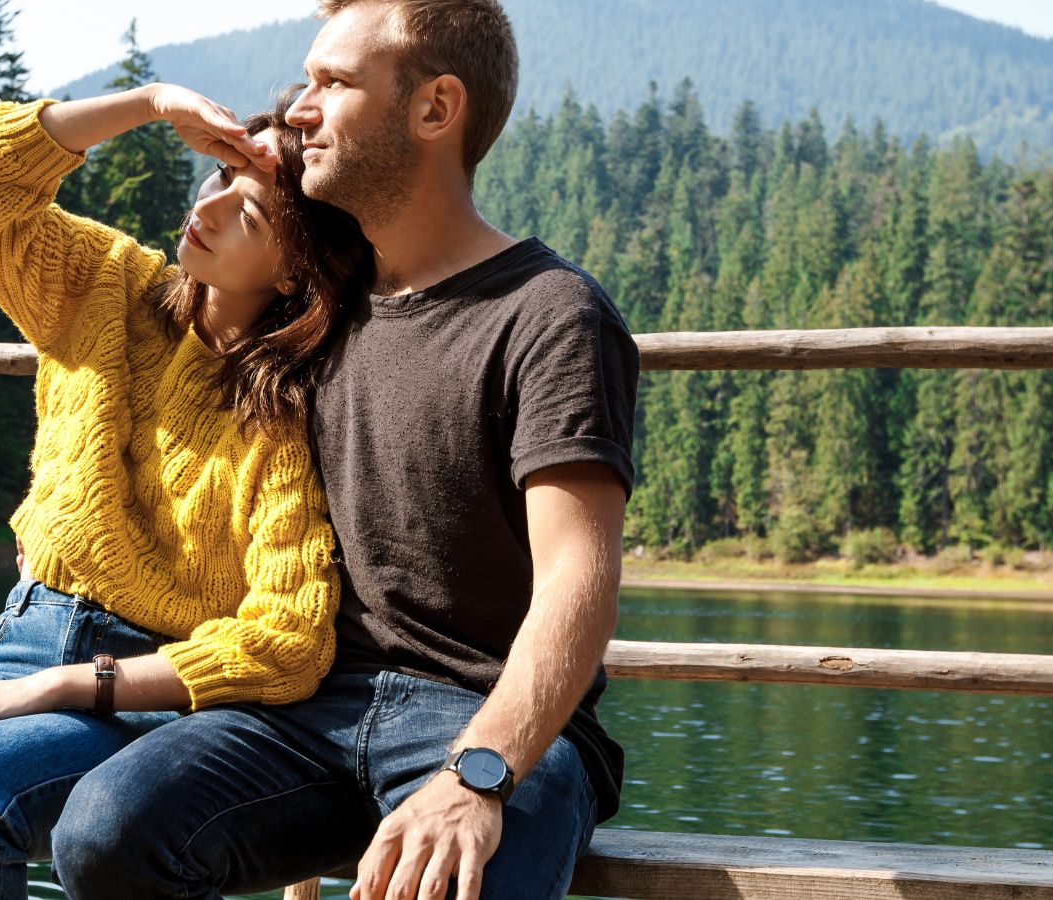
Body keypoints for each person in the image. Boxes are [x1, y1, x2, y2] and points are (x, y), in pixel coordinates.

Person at [50, 1, 640, 899]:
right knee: (105, 829)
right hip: (306, 712)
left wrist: (478, 775)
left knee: (461, 877)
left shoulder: (551, 315)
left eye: (333, 83)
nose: (298, 108)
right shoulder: (317, 312)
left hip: (489, 720)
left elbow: (578, 582)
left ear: (436, 108)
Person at [0, 82, 374, 899]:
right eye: (219, 178)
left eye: (248, 214)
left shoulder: (279, 414)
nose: (207, 209)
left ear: (293, 271)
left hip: (148, 688)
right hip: (23, 637)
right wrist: (150, 103)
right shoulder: (107, 283)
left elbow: (288, 639)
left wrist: (69, 685)